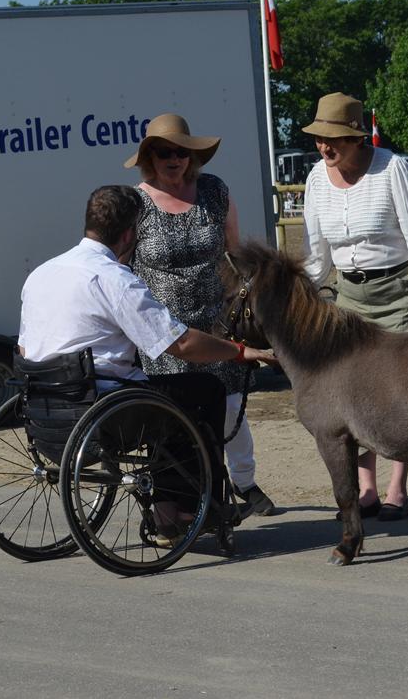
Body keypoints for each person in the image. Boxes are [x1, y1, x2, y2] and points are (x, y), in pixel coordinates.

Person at [18, 185, 276, 537]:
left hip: (46, 410)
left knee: (160, 391)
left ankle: (170, 505)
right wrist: (239, 351)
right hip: (103, 410)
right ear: (129, 234)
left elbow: (24, 351)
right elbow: (181, 343)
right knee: (205, 391)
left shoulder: (41, 275)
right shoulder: (114, 280)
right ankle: (194, 505)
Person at [301, 92, 408, 521]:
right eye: (320, 140)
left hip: (399, 290)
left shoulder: (391, 169)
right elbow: (314, 254)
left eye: (335, 141)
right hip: (348, 296)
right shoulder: (314, 179)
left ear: (357, 139)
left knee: (398, 388)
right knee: (352, 393)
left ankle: (397, 490)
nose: (326, 148)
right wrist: (302, 300)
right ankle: (366, 490)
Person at [124, 114, 277, 516]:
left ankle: (245, 481)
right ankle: (187, 496)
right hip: (163, 330)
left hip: (216, 320)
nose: (172, 159)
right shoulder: (135, 203)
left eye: (180, 151)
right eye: (163, 152)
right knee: (175, 417)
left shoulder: (214, 191)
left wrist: (246, 310)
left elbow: (235, 253)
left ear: (191, 155)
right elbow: (121, 268)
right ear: (149, 157)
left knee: (229, 407)